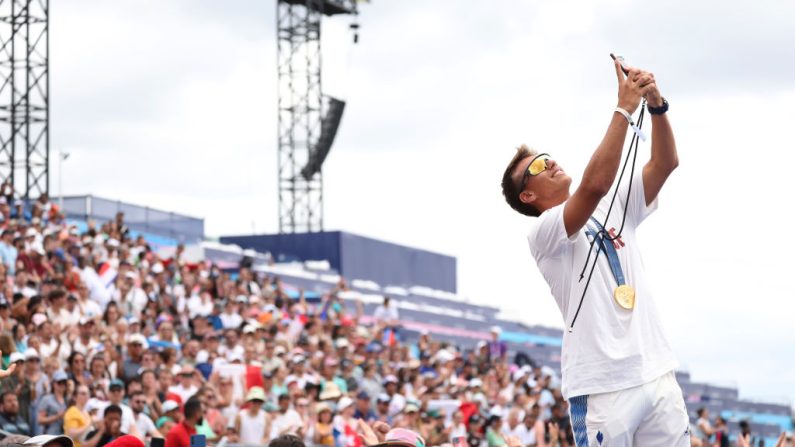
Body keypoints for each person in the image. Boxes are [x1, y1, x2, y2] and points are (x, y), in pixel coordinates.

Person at [502, 59, 686, 446]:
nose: (549, 162)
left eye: (547, 155)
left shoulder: (614, 203)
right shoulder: (544, 231)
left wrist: (656, 105)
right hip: (603, 386)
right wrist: (623, 108)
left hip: (655, 369)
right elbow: (596, 184)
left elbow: (666, 163)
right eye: (537, 165)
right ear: (528, 195)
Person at [38, 370, 70, 435]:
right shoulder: (46, 399)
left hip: (64, 435)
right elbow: (40, 420)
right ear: (53, 383)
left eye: (64, 382)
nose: (62, 385)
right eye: (59, 382)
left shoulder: (68, 400)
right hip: (50, 436)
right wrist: (57, 416)